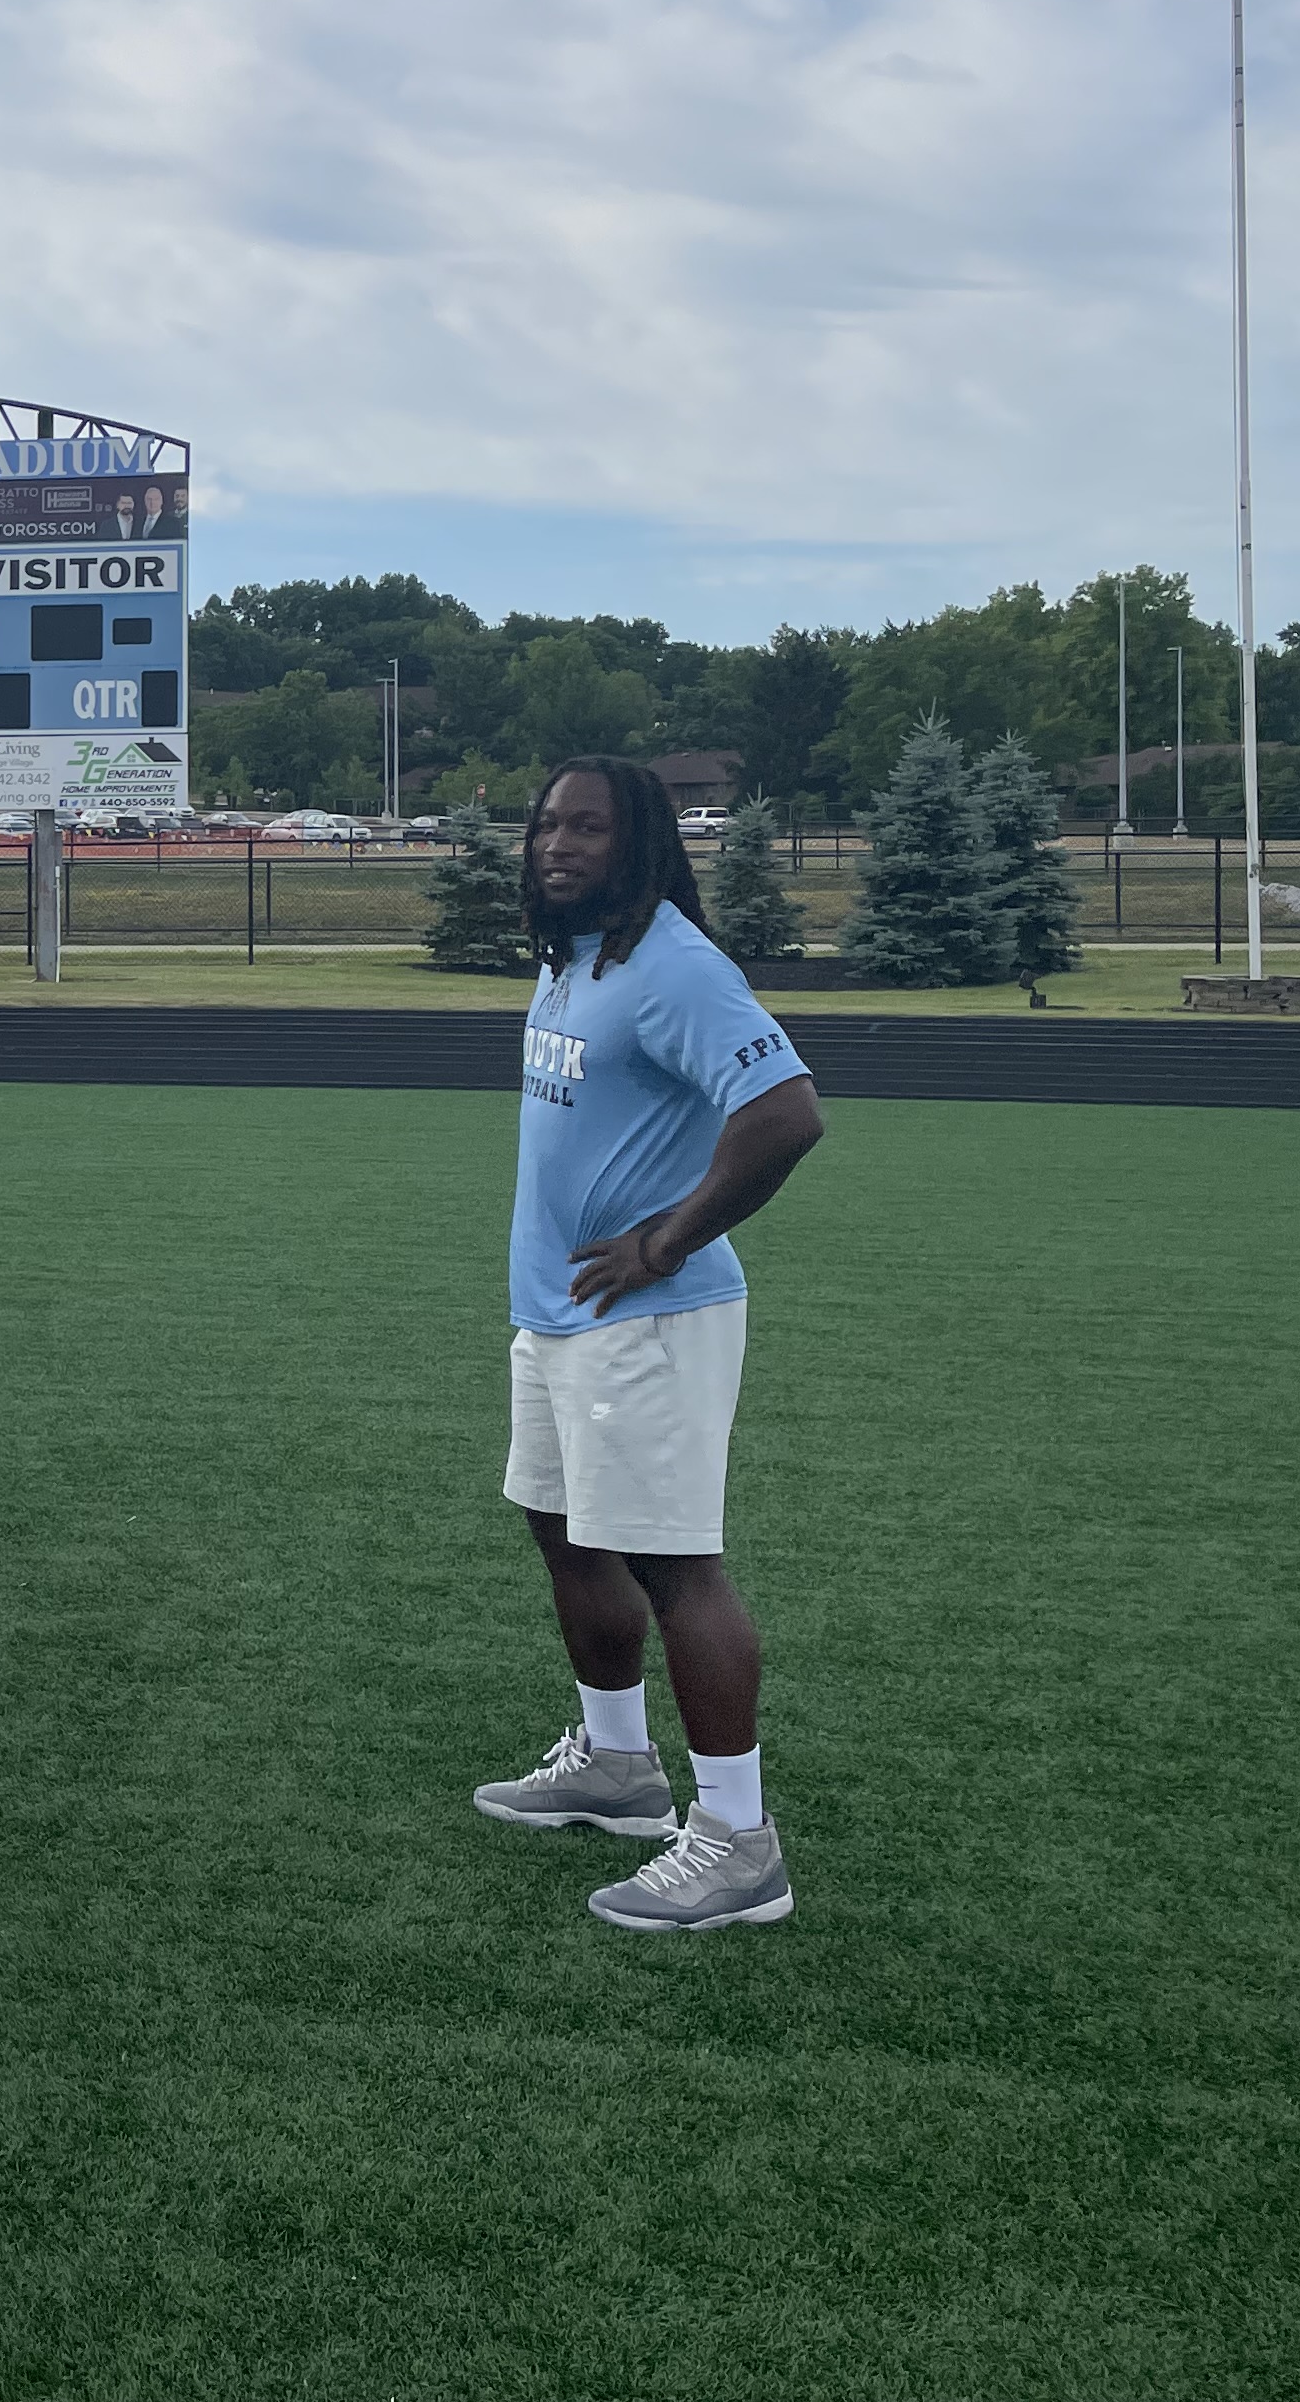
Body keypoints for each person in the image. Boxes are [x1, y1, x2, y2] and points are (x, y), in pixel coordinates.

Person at [470, 755, 825, 1935]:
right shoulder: (576, 953)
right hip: (557, 1314)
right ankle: (618, 1769)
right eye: (544, 825)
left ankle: (738, 1842)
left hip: (650, 1321)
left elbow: (785, 1114)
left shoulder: (676, 966)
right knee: (568, 1537)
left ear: (642, 844)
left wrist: (664, 1242)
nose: (555, 844)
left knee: (677, 1568)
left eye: (585, 828)